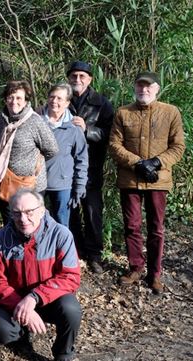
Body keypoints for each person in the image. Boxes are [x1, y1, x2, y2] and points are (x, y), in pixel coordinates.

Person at [0, 189, 82, 361]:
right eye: (17, 213)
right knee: (1, 328)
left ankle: (63, 355)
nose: (23, 219)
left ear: (41, 210)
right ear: (10, 213)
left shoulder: (61, 235)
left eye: (29, 212)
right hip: (16, 301)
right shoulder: (0, 239)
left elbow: (70, 276)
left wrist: (34, 297)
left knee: (71, 309)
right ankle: (22, 336)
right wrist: (21, 306)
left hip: (51, 300)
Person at [109, 72, 186, 294]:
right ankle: (135, 268)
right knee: (132, 225)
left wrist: (156, 162)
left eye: (148, 87)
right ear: (134, 88)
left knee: (156, 228)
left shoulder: (170, 112)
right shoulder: (123, 112)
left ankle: (155, 274)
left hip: (158, 180)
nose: (143, 90)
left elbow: (178, 146)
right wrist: (137, 164)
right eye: (140, 86)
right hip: (130, 178)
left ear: (157, 88)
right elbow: (114, 145)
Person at [66, 61, 114, 273]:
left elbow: (110, 135)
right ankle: (75, 251)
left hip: (92, 167)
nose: (77, 80)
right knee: (71, 211)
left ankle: (94, 255)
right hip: (66, 168)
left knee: (93, 211)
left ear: (90, 79)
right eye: (74, 76)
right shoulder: (62, 100)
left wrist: (88, 130)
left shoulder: (102, 103)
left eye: (82, 76)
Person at [0, 80, 58, 223]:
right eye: (10, 97)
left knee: (30, 225)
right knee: (10, 224)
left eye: (19, 98)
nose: (14, 101)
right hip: (6, 183)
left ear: (26, 100)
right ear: (5, 99)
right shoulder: (1, 121)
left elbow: (52, 149)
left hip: (31, 185)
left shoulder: (35, 121)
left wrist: (32, 162)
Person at [38, 83, 88, 226]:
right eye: (52, 97)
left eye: (59, 98)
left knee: (62, 225)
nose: (54, 101)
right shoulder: (36, 122)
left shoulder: (74, 128)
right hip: (36, 183)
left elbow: (82, 159)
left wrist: (80, 186)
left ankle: (61, 249)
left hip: (62, 185)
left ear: (67, 103)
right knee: (35, 224)